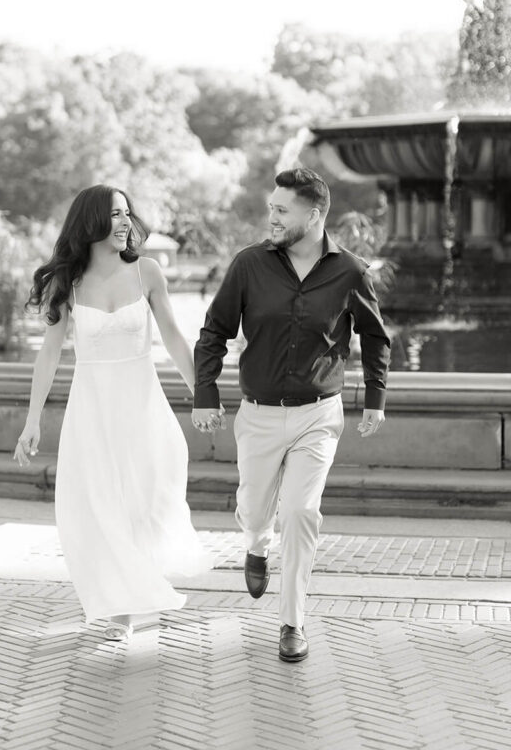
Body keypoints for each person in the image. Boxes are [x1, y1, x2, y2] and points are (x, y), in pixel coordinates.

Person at [192, 168, 390, 663]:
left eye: (282, 210)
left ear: (314, 215)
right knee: (257, 510)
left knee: (301, 512)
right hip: (257, 416)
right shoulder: (249, 266)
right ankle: (256, 541)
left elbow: (376, 337)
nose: (272, 217)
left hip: (318, 416)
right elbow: (213, 331)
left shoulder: (350, 271)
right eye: (271, 208)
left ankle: (292, 622)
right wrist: (204, 392)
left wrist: (375, 398)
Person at [14, 184, 213, 639]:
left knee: (146, 496)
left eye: (127, 213)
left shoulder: (147, 272)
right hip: (93, 409)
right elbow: (49, 355)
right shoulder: (69, 283)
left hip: (141, 403)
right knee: (100, 504)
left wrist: (201, 392)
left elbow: (175, 339)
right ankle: (124, 599)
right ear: (92, 222)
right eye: (115, 214)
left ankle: (135, 587)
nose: (126, 222)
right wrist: (32, 421)